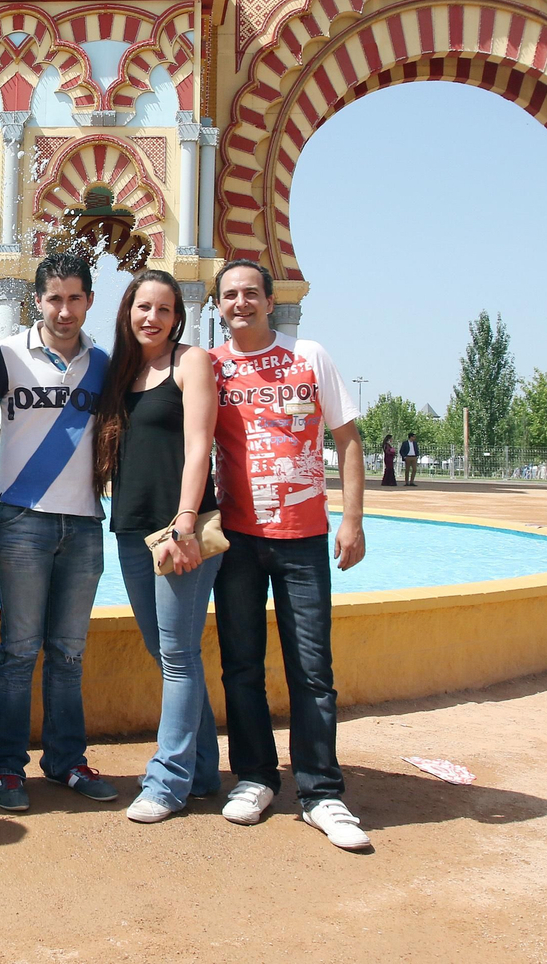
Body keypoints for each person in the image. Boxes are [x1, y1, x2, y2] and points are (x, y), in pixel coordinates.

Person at [209, 259, 370, 851]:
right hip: (238, 540)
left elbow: (347, 439)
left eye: (251, 293)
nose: (241, 303)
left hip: (303, 538)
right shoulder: (211, 367)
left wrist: (351, 520)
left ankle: (321, 791)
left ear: (270, 301)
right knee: (241, 665)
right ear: (218, 306)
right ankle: (255, 777)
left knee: (312, 669)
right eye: (230, 295)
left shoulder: (309, 356)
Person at [0, 252, 117, 811]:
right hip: (22, 519)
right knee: (18, 650)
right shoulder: (7, 355)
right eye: (54, 299)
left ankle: (66, 762)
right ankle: (6, 769)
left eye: (74, 298)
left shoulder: (104, 364)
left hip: (84, 523)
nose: (64, 310)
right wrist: (5, 449)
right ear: (37, 301)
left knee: (68, 653)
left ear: (89, 301)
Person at [94, 269, 223, 823]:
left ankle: (167, 782)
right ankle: (204, 770)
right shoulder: (121, 373)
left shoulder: (190, 362)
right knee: (169, 653)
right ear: (128, 311)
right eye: (142, 307)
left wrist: (185, 522)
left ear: (178, 317)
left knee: (177, 656)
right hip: (131, 528)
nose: (152, 317)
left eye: (163, 309)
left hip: (178, 532)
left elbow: (199, 447)